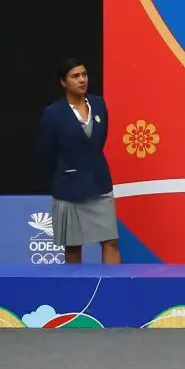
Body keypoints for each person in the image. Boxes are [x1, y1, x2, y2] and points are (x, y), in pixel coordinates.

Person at [37, 59, 119, 265]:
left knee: (110, 242)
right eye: (75, 76)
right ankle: (76, 295)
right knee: (73, 247)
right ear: (63, 82)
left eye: (84, 75)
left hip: (99, 184)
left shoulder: (99, 104)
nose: (82, 80)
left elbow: (98, 141)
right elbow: (45, 153)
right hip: (68, 189)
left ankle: (112, 289)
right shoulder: (53, 114)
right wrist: (67, 172)